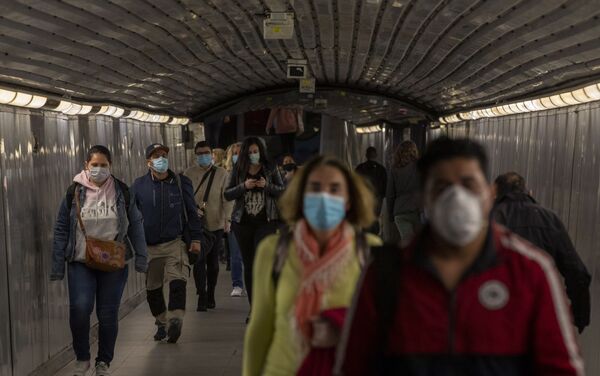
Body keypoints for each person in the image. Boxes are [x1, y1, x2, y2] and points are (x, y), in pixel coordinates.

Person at [337, 137, 585, 376]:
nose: (457, 197)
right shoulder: (385, 274)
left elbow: (560, 369)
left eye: (468, 184)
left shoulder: (529, 272)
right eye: (442, 187)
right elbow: (353, 367)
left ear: (489, 196)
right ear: (424, 197)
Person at [243, 155, 382, 376]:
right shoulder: (273, 251)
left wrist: (343, 330)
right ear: (301, 197)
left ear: (348, 200)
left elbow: (384, 328)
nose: (324, 197)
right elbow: (260, 327)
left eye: (335, 189)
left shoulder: (369, 252)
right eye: (315, 188)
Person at [51, 145, 148, 376]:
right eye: (94, 165)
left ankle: (103, 362)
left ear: (110, 166)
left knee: (107, 313)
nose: (99, 169)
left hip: (113, 261)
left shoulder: (122, 191)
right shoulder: (74, 192)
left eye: (104, 165)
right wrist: (57, 266)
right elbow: (61, 228)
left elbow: (136, 225)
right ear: (86, 165)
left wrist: (142, 258)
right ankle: (82, 357)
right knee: (80, 308)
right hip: (80, 260)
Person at [493, 171, 591, 333]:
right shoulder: (550, 219)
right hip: (539, 318)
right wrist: (580, 317)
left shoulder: (488, 219)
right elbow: (578, 273)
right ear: (528, 192)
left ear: (495, 194)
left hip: (496, 315)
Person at [132, 143, 203, 344]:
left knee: (178, 281)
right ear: (148, 162)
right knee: (153, 289)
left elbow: (192, 212)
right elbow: (131, 216)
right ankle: (162, 322)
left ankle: (175, 320)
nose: (161, 159)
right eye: (156, 156)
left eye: (164, 155)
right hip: (150, 246)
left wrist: (196, 239)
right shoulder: (139, 186)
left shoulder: (181, 183)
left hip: (175, 243)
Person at [224, 137, 285, 310]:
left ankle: (266, 301)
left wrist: (267, 186)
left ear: (261, 151)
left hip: (266, 223)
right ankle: (254, 307)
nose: (253, 155)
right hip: (243, 223)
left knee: (261, 261)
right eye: (250, 152)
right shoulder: (238, 169)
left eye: (255, 151)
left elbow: (282, 190)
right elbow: (227, 194)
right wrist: (244, 186)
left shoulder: (270, 168)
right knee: (249, 265)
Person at [184, 141, 233, 311]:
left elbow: (226, 198)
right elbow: (184, 197)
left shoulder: (221, 173)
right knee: (198, 261)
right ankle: (201, 294)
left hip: (216, 224)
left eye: (206, 153)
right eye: (199, 153)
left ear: (211, 154)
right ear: (196, 155)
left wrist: (228, 219)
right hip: (195, 226)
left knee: (212, 263)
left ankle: (211, 292)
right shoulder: (188, 174)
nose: (203, 156)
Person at [386, 140, 421, 244]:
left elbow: (390, 194)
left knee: (407, 241)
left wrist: (390, 214)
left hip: (400, 211)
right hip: (417, 210)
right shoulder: (420, 167)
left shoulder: (394, 169)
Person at [224, 142, 245, 297]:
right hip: (234, 218)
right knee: (235, 254)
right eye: (235, 153)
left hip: (251, 219)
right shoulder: (227, 175)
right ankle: (237, 284)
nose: (237, 156)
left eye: (240, 153)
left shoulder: (256, 173)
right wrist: (227, 219)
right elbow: (226, 199)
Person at [355, 146, 387, 234]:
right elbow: (385, 185)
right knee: (374, 218)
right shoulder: (381, 169)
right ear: (376, 155)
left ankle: (366, 237)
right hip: (377, 198)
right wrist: (382, 196)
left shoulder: (360, 168)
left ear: (366, 155)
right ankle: (374, 237)